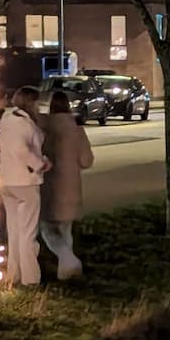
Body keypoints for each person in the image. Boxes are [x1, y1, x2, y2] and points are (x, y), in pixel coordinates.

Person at [39, 90, 95, 280]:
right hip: (70, 186)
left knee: (47, 228)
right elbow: (87, 160)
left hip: (47, 185)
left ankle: (68, 262)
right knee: (65, 229)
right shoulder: (76, 128)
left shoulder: (43, 126)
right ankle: (68, 268)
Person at [0, 85, 49, 287]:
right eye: (37, 101)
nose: (39, 106)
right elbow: (21, 150)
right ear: (31, 102)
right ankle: (31, 278)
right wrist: (40, 164)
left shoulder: (7, 120)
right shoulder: (24, 125)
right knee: (27, 232)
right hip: (25, 181)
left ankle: (14, 274)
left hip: (7, 180)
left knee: (15, 230)